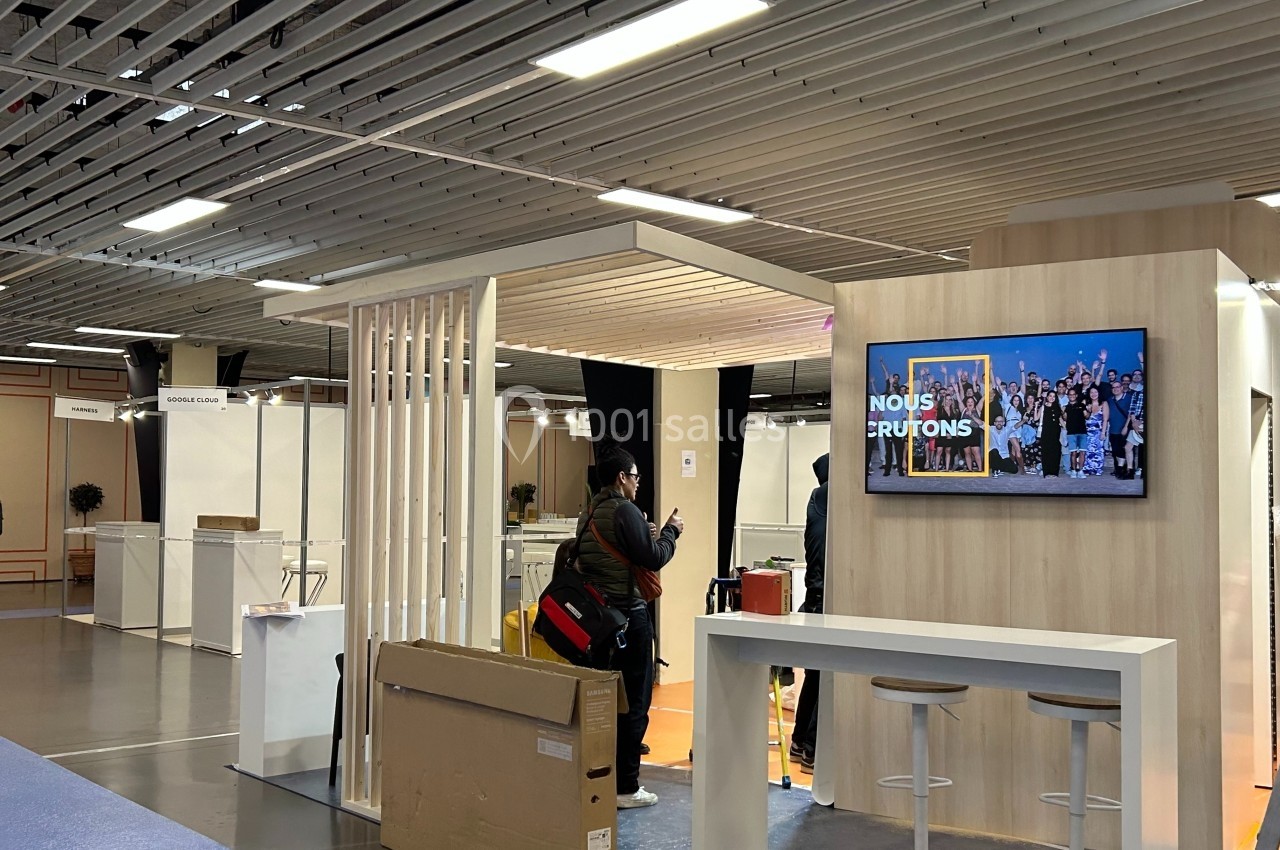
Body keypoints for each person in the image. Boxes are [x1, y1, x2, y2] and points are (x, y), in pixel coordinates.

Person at [575, 441, 683, 810]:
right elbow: (654, 558)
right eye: (635, 476)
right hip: (629, 620)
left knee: (603, 704)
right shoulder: (625, 511)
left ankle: (598, 777)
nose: (638, 483)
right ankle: (627, 787)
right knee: (635, 703)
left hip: (598, 622)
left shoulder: (589, 512)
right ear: (622, 477)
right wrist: (671, 532)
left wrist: (644, 533)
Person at [789, 454, 828, 775]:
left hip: (813, 599)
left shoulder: (815, 499)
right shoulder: (830, 496)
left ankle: (800, 741)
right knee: (826, 674)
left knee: (815, 675)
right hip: (827, 600)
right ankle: (813, 750)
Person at [1106, 379, 1133, 479]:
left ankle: (1126, 471)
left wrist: (1126, 427)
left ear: (1122, 388)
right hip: (1113, 430)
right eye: (1113, 387)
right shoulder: (1110, 400)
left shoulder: (1128, 398)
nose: (1115, 389)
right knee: (1116, 451)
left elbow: (1131, 413)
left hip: (1124, 430)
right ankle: (1119, 469)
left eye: (1117, 387)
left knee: (1125, 450)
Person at [1083, 385, 1108, 476]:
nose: (1093, 394)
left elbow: (1105, 419)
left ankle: (1097, 469)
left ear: (1099, 393)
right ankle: (1088, 468)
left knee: (1098, 451)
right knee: (1088, 450)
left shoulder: (1104, 403)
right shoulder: (1086, 403)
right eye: (1091, 392)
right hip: (1087, 432)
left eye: (1095, 392)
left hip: (1098, 432)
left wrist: (1103, 433)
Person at [1064, 387, 1088, 478]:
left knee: (1082, 452)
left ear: (1076, 395)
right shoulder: (1066, 407)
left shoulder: (1082, 405)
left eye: (1073, 394)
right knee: (1073, 453)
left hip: (1082, 432)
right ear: (1068, 396)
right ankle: (1073, 470)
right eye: (1070, 395)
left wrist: (1088, 410)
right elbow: (1065, 418)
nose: (1072, 396)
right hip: (1071, 433)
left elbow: (1087, 416)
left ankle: (1081, 471)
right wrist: (1062, 413)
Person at [1039, 390, 1064, 477]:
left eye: (1054, 396)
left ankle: (1054, 472)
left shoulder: (1057, 406)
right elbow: (1037, 418)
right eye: (1050, 396)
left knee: (1056, 452)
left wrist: (1066, 429)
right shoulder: (1043, 407)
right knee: (1046, 452)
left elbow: (1060, 419)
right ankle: (1046, 472)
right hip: (1046, 432)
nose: (1052, 398)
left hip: (1056, 432)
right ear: (1047, 397)